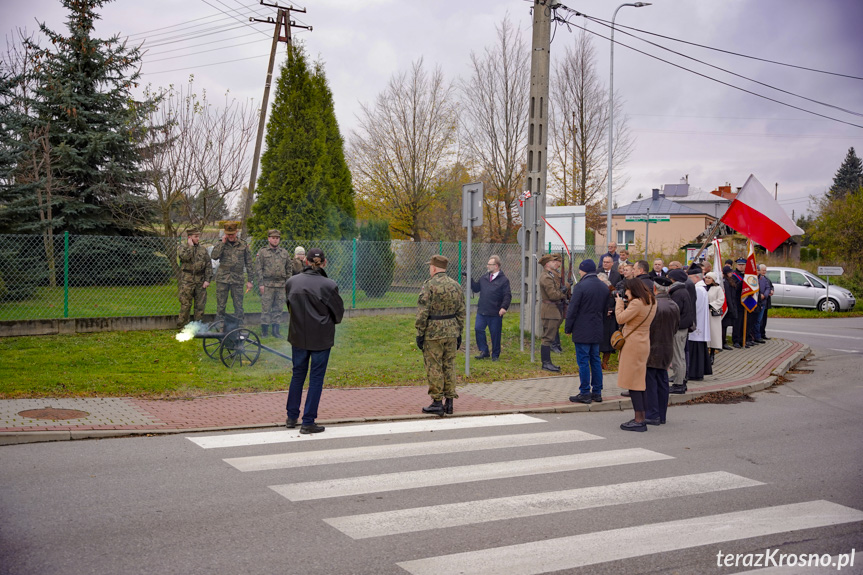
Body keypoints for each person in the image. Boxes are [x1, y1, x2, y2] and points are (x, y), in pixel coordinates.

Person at [284, 248, 345, 434]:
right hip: (320, 338)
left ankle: (292, 416)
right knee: (316, 378)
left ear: (306, 261)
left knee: (297, 375)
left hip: (298, 335)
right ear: (324, 263)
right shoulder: (328, 285)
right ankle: (308, 421)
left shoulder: (292, 282)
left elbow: (290, 307)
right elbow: (338, 314)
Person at [416, 255, 466, 415]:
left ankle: (437, 402)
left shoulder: (429, 286)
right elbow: (461, 311)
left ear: (434, 268)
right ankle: (449, 402)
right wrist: (459, 332)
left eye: (430, 266)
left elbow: (423, 312)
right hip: (452, 330)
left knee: (434, 365)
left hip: (434, 332)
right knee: (449, 365)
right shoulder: (456, 286)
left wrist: (420, 333)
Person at [615, 278, 657, 432]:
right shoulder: (651, 300)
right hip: (643, 341)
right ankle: (641, 416)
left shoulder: (637, 303)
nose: (625, 293)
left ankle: (639, 420)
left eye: (627, 290)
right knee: (639, 382)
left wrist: (619, 303)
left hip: (633, 344)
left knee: (634, 384)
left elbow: (620, 318)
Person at [564, 259, 609, 404]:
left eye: (580, 270)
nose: (579, 272)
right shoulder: (603, 287)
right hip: (596, 328)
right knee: (595, 360)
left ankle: (584, 392)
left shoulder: (581, 287)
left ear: (584, 270)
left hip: (582, 329)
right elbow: (604, 310)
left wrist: (568, 328)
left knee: (583, 361)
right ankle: (597, 392)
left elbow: (573, 309)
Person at [644, 276, 679, 426]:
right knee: (663, 381)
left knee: (651, 382)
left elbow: (647, 328)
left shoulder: (653, 305)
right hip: (667, 347)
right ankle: (662, 414)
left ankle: (652, 414)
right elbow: (676, 327)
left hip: (653, 348)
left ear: (655, 288)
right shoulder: (674, 305)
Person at [210, 221, 255, 325]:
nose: (230, 236)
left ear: (237, 232)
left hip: (237, 278)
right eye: (228, 234)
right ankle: (220, 326)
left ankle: (238, 327)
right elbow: (214, 256)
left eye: (232, 234)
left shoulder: (243, 245)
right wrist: (222, 243)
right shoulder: (220, 243)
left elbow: (249, 263)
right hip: (223, 278)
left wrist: (250, 280)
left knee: (238, 305)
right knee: (221, 304)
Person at [470, 255, 512, 361]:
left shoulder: (503, 280)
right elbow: (476, 289)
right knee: (478, 329)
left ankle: (495, 355)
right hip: (482, 310)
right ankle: (484, 351)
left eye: (490, 264)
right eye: (488, 264)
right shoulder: (484, 278)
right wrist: (470, 279)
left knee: (495, 334)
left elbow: (507, 295)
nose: (487, 266)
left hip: (495, 312)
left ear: (496, 266)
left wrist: (504, 307)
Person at [255, 229, 292, 337]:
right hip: (267, 284)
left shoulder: (284, 252)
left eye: (277, 238)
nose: (275, 240)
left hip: (281, 285)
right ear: (269, 239)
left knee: (278, 308)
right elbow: (258, 269)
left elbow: (289, 268)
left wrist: (287, 283)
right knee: (266, 308)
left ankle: (276, 331)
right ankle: (264, 331)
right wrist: (261, 284)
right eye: (273, 238)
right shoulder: (263, 252)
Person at [177, 227, 212, 328]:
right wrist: (190, 247)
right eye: (195, 237)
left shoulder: (203, 250)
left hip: (200, 281)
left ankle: (197, 327)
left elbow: (208, 265)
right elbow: (184, 257)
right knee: (185, 304)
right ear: (189, 237)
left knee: (200, 306)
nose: (198, 239)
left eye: (198, 236)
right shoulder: (182, 247)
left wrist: (207, 280)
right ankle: (182, 326)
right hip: (187, 281)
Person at [538, 253, 567, 372]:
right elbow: (553, 295)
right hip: (550, 310)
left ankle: (547, 363)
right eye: (552, 262)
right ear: (547, 264)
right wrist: (563, 293)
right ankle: (546, 363)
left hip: (553, 309)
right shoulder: (546, 277)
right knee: (548, 337)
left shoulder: (550, 275)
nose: (555, 263)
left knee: (549, 336)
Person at [667, 269, 694, 394]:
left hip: (678, 329)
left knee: (677, 357)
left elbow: (674, 313)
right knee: (680, 357)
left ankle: (678, 384)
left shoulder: (678, 293)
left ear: (674, 279)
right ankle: (681, 381)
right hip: (683, 328)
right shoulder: (683, 291)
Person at [687, 265, 712, 381]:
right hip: (700, 321)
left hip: (697, 323)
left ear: (696, 277)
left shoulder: (697, 289)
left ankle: (694, 373)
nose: (688, 279)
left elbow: (694, 306)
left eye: (690, 277)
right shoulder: (702, 288)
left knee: (695, 348)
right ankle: (697, 372)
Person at [597, 272, 618, 371]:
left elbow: (619, 303)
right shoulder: (596, 292)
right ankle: (596, 362)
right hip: (600, 320)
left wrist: (612, 311)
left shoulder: (613, 292)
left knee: (608, 343)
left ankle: (605, 362)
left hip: (610, 321)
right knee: (598, 343)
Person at [703, 271, 726, 364]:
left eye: (709, 278)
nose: (707, 280)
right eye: (706, 277)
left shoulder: (717, 288)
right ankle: (704, 353)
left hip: (712, 313)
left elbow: (721, 299)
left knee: (713, 333)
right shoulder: (701, 287)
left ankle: (712, 353)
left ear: (713, 279)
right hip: (703, 314)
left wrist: (711, 305)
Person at [721, 266, 737, 350]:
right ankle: (722, 342)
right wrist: (730, 308)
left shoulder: (730, 281)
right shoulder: (725, 282)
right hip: (727, 306)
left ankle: (723, 341)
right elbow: (728, 296)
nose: (732, 273)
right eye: (730, 272)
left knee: (725, 326)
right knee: (723, 326)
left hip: (731, 305)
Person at [758, 264, 774, 341]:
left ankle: (763, 333)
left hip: (766, 302)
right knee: (759, 320)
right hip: (761, 301)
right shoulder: (758, 279)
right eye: (763, 270)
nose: (764, 272)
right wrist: (764, 294)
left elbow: (770, 286)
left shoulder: (766, 279)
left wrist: (772, 290)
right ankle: (758, 335)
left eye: (765, 270)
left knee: (764, 320)